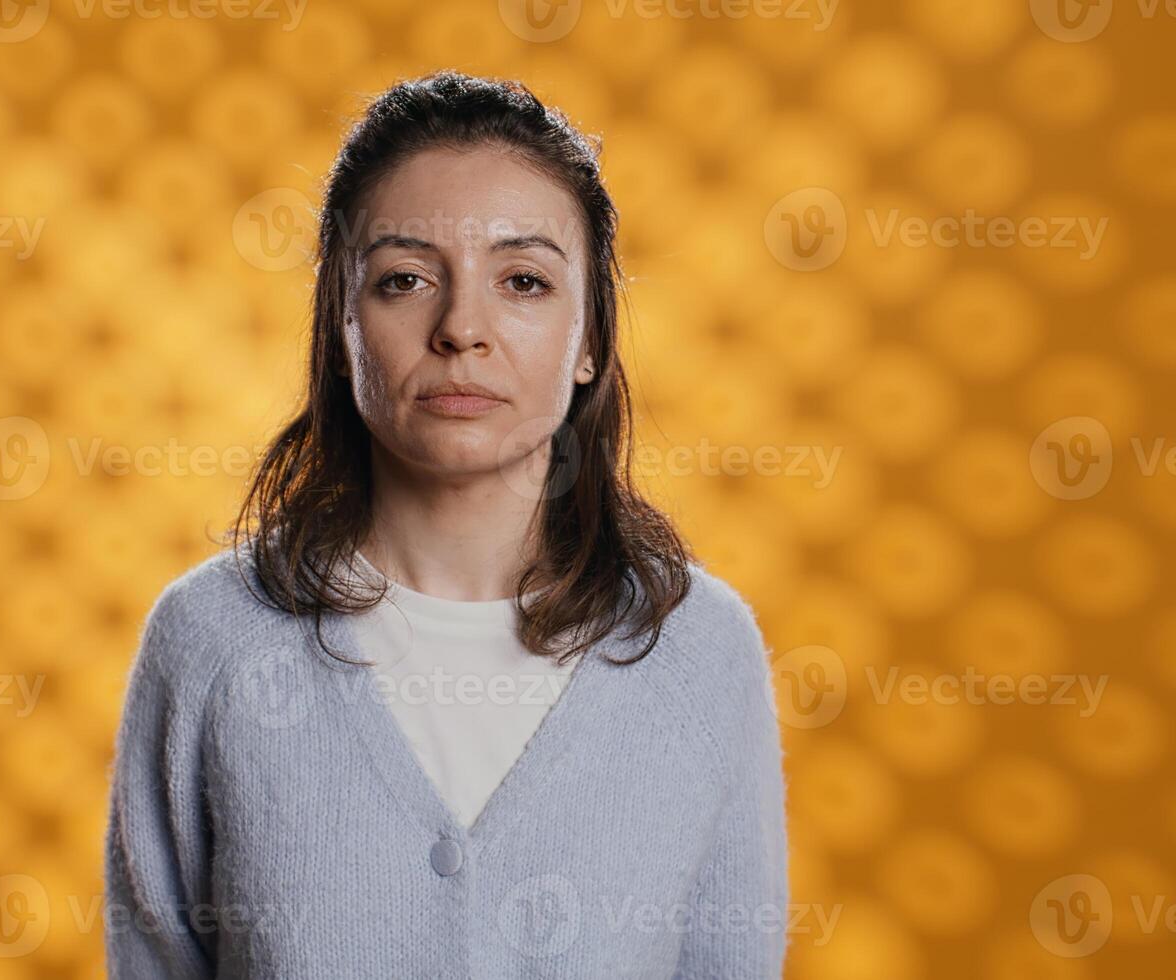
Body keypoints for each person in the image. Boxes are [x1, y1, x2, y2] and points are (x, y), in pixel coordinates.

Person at [106, 69, 788, 978]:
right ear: (342, 328)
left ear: (590, 340)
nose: (462, 327)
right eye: (404, 279)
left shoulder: (700, 652)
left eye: (523, 280)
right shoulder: (210, 642)